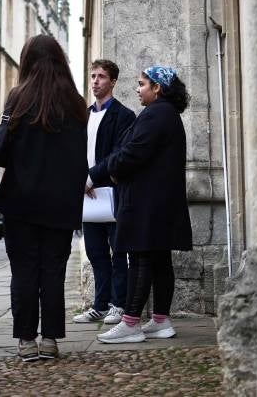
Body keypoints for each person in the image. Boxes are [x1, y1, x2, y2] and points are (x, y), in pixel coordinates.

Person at [0, 35, 89, 361]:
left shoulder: (19, 97)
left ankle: (27, 340)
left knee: (24, 271)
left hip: (21, 201)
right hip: (60, 204)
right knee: (53, 272)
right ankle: (50, 339)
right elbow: (79, 159)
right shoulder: (75, 103)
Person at [94, 66, 193, 344]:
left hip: (147, 202)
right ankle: (161, 320)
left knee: (140, 258)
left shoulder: (156, 113)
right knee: (159, 259)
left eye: (142, 84)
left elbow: (132, 153)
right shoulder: (166, 113)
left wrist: (107, 170)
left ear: (157, 87)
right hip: (158, 201)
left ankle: (130, 324)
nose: (138, 89)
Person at [73, 60, 135, 325]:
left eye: (101, 76)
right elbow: (74, 152)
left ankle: (119, 305)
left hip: (112, 193)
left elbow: (119, 155)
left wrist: (91, 178)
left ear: (113, 82)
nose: (95, 81)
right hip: (87, 195)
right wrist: (80, 179)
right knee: (95, 253)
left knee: (118, 253)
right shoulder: (83, 116)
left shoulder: (124, 116)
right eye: (93, 76)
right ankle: (100, 305)